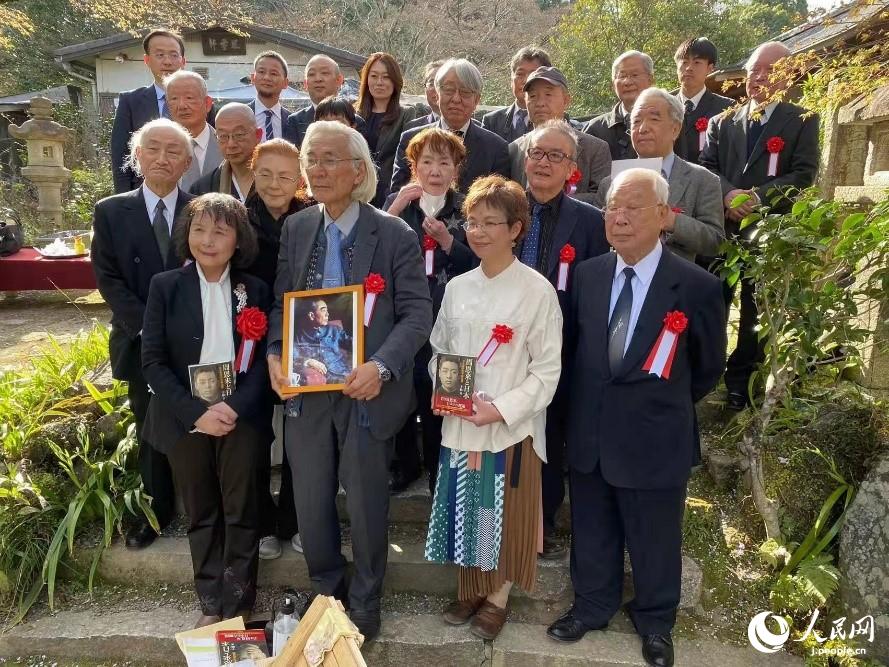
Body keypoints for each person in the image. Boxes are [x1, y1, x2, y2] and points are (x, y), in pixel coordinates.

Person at [549, 169, 726, 667]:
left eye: (632, 208)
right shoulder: (588, 275)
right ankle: (592, 605)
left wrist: (656, 404)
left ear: (664, 216)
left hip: (654, 437)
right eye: (611, 209)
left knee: (655, 536)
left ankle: (655, 621)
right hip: (592, 432)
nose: (619, 218)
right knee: (592, 527)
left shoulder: (696, 287)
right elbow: (578, 353)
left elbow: (708, 367)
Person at [266, 121, 432, 640]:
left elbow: (416, 315)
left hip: (366, 391)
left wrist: (380, 367)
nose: (317, 169)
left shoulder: (393, 232)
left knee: (364, 503)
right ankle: (326, 591)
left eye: (330, 159)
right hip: (308, 391)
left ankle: (365, 599)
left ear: (359, 170)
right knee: (311, 500)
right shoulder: (296, 229)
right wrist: (275, 354)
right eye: (311, 158)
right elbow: (279, 305)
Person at [425, 175, 562, 642]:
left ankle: (497, 596)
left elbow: (546, 370)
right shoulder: (459, 287)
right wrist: (444, 388)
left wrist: (500, 409)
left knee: (500, 514)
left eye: (490, 223)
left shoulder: (537, 291)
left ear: (516, 229)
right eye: (471, 222)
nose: (478, 232)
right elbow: (438, 348)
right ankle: (470, 588)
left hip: (511, 429)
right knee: (466, 509)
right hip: (460, 423)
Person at [141, 193, 272, 628]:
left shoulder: (253, 290)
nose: (208, 240)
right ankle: (210, 604)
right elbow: (153, 362)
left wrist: (232, 407)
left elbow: (260, 367)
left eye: (220, 230)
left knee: (242, 510)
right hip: (185, 419)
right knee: (201, 511)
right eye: (199, 229)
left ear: (238, 239)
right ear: (187, 235)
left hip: (241, 418)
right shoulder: (165, 286)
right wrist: (195, 413)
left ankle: (238, 603)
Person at [90, 118, 195, 549]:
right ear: (137, 155)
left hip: (193, 340)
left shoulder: (202, 208)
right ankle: (155, 510)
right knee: (149, 424)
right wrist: (153, 329)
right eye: (153, 148)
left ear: (188, 161)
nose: (163, 158)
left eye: (174, 151)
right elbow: (108, 278)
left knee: (195, 422)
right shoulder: (111, 210)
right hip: (137, 338)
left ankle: (199, 509)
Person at [700, 41, 820, 411]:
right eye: (754, 70)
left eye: (769, 71)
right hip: (724, 231)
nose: (759, 78)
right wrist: (728, 195)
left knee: (755, 310)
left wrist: (757, 199)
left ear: (786, 76)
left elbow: (803, 173)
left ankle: (741, 384)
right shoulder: (724, 122)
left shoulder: (801, 119)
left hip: (767, 232)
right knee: (713, 304)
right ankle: (706, 374)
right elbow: (706, 165)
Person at [514, 119, 610, 559]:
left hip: (561, 346)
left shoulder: (590, 222)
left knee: (549, 433)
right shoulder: (506, 207)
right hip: (505, 342)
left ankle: (543, 518)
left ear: (572, 167)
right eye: (537, 153)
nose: (544, 163)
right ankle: (505, 514)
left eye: (556, 156)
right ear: (525, 158)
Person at [383, 128, 476, 494]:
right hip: (402, 317)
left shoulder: (468, 206)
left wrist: (447, 241)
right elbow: (372, 248)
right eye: (427, 161)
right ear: (414, 166)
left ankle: (443, 471)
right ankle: (403, 465)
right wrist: (392, 210)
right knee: (403, 393)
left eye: (444, 162)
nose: (435, 170)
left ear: (456, 169)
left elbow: (481, 263)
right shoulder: (397, 203)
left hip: (451, 316)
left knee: (443, 394)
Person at [244, 138, 310, 561]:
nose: (274, 183)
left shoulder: (310, 219)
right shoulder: (237, 218)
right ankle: (264, 524)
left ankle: (295, 519)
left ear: (299, 179)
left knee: (299, 438)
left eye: (285, 175)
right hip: (247, 342)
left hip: (299, 338)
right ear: (252, 173)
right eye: (265, 173)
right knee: (253, 435)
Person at [592, 88, 725, 263]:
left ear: (675, 129)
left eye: (654, 119)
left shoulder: (703, 180)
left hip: (677, 284)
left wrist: (672, 221)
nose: (643, 128)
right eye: (636, 121)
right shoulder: (610, 182)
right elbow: (594, 237)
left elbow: (716, 243)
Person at [391, 58, 510, 194]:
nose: (456, 99)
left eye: (465, 92)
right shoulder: (411, 139)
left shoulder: (496, 148)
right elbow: (396, 194)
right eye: (449, 90)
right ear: (437, 94)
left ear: (477, 100)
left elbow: (499, 205)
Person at [110, 29, 205, 193]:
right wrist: (125, 203)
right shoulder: (131, 102)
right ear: (147, 60)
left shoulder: (201, 101)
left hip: (194, 193)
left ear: (183, 61)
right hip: (146, 196)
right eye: (160, 55)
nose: (167, 62)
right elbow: (121, 158)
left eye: (174, 55)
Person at [508, 67, 610, 202]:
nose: (540, 103)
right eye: (532, 96)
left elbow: (602, 198)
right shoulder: (515, 149)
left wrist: (553, 201)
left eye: (548, 95)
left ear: (566, 100)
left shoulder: (595, 149)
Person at [355, 52, 418, 206]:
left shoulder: (407, 115)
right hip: (356, 191)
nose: (379, 82)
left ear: (395, 81)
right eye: (374, 76)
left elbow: (409, 159)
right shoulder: (353, 114)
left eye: (386, 77)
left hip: (390, 194)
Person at [582, 50, 654, 161]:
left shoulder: (669, 122)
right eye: (622, 76)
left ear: (650, 80)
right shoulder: (595, 129)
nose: (627, 82)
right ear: (613, 84)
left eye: (634, 75)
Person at [673, 38, 733, 165]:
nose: (688, 68)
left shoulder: (727, 108)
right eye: (684, 62)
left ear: (710, 68)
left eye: (696, 62)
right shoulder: (663, 104)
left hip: (710, 180)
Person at [189, 103, 262, 201]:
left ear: (258, 135)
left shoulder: (277, 180)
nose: (231, 144)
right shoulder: (203, 189)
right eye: (223, 136)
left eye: (239, 134)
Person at [165, 70, 222, 191]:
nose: (182, 105)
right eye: (174, 99)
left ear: (207, 103)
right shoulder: (158, 149)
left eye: (189, 98)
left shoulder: (225, 144)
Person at [482, 47, 552, 143]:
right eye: (520, 74)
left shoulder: (557, 120)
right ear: (511, 80)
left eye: (533, 74)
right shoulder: (491, 121)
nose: (525, 80)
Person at [284, 55, 346, 148]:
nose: (318, 79)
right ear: (305, 84)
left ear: (339, 80)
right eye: (312, 74)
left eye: (324, 73)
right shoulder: (294, 121)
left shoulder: (354, 120)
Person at [293, 298, 353, 384]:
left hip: (344, 372)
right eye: (323, 310)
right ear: (311, 315)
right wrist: (309, 361)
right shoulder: (299, 336)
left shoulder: (335, 330)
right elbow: (293, 358)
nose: (327, 314)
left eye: (327, 311)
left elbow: (353, 344)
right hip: (323, 379)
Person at [249, 50, 292, 142]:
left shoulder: (293, 121)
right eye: (261, 72)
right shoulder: (240, 115)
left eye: (273, 73)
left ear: (285, 83)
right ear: (253, 78)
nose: (267, 77)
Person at [404, 60, 445, 131]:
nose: (437, 89)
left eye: (442, 84)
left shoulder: (467, 126)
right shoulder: (412, 128)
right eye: (431, 83)